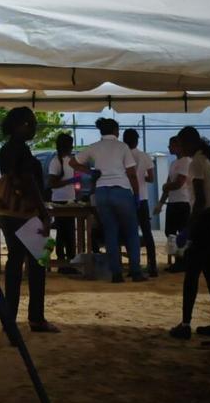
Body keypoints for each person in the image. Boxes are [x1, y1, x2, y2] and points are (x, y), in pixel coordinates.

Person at [0, 107, 58, 335]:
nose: (33, 128)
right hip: (27, 212)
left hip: (6, 213)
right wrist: (43, 211)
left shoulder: (4, 150)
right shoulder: (22, 151)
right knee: (39, 264)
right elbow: (28, 182)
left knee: (14, 263)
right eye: (31, 124)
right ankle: (37, 319)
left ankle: (8, 319)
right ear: (21, 125)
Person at [70, 118, 146, 283]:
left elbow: (73, 162)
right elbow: (131, 173)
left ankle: (116, 274)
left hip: (102, 192)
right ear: (115, 130)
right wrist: (137, 195)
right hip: (122, 190)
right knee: (131, 232)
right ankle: (136, 272)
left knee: (111, 233)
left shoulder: (94, 147)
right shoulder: (122, 147)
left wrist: (90, 172)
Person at [168, 131, 210, 339]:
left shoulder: (196, 163)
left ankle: (185, 324)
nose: (180, 148)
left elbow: (200, 199)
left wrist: (188, 229)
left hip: (205, 218)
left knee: (192, 273)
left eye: (182, 144)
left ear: (190, 143)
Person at [157, 128, 195, 271]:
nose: (169, 148)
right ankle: (179, 259)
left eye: (171, 145)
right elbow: (168, 185)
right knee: (170, 233)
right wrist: (161, 202)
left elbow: (179, 183)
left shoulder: (186, 162)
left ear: (179, 146)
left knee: (182, 232)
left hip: (183, 202)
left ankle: (184, 260)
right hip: (173, 202)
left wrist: (166, 186)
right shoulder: (174, 164)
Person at [122, 128, 159, 277]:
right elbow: (151, 178)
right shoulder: (145, 156)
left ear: (124, 141)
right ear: (137, 141)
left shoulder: (122, 156)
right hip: (142, 197)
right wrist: (141, 176)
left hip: (126, 197)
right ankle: (153, 265)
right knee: (147, 232)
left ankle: (133, 265)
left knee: (129, 233)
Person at [45, 133, 80, 274]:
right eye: (70, 145)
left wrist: (76, 188)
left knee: (70, 232)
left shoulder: (71, 161)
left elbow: (75, 179)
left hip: (71, 199)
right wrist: (70, 182)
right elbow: (52, 183)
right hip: (59, 200)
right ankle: (62, 261)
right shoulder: (55, 162)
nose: (71, 147)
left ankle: (71, 260)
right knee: (62, 233)